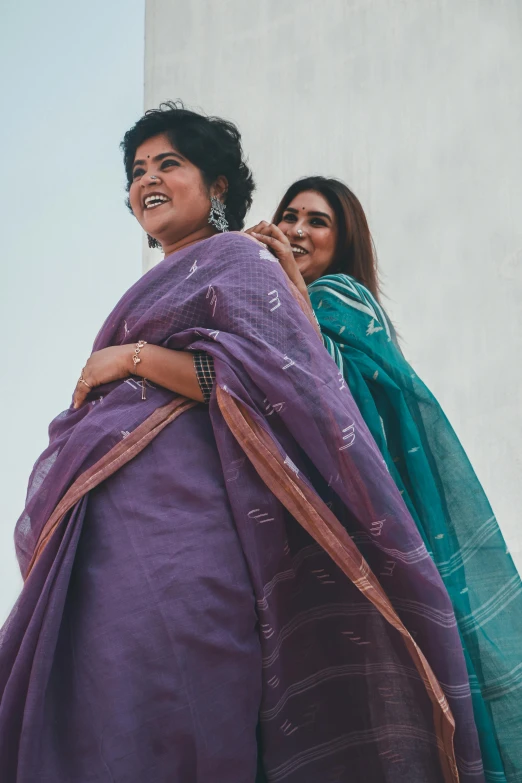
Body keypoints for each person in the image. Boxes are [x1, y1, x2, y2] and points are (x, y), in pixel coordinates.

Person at [0, 107, 484, 783]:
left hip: (189, 534)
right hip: (107, 530)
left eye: (169, 164)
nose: (149, 180)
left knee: (176, 701)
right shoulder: (165, 279)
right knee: (89, 702)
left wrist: (131, 358)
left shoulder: (236, 259)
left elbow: (264, 380)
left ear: (218, 186)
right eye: (138, 171)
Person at [247, 175, 522, 783]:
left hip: (368, 521)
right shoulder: (274, 306)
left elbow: (324, 389)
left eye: (316, 221)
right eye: (288, 215)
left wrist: (289, 290)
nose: (295, 230)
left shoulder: (344, 299)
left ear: (342, 242)